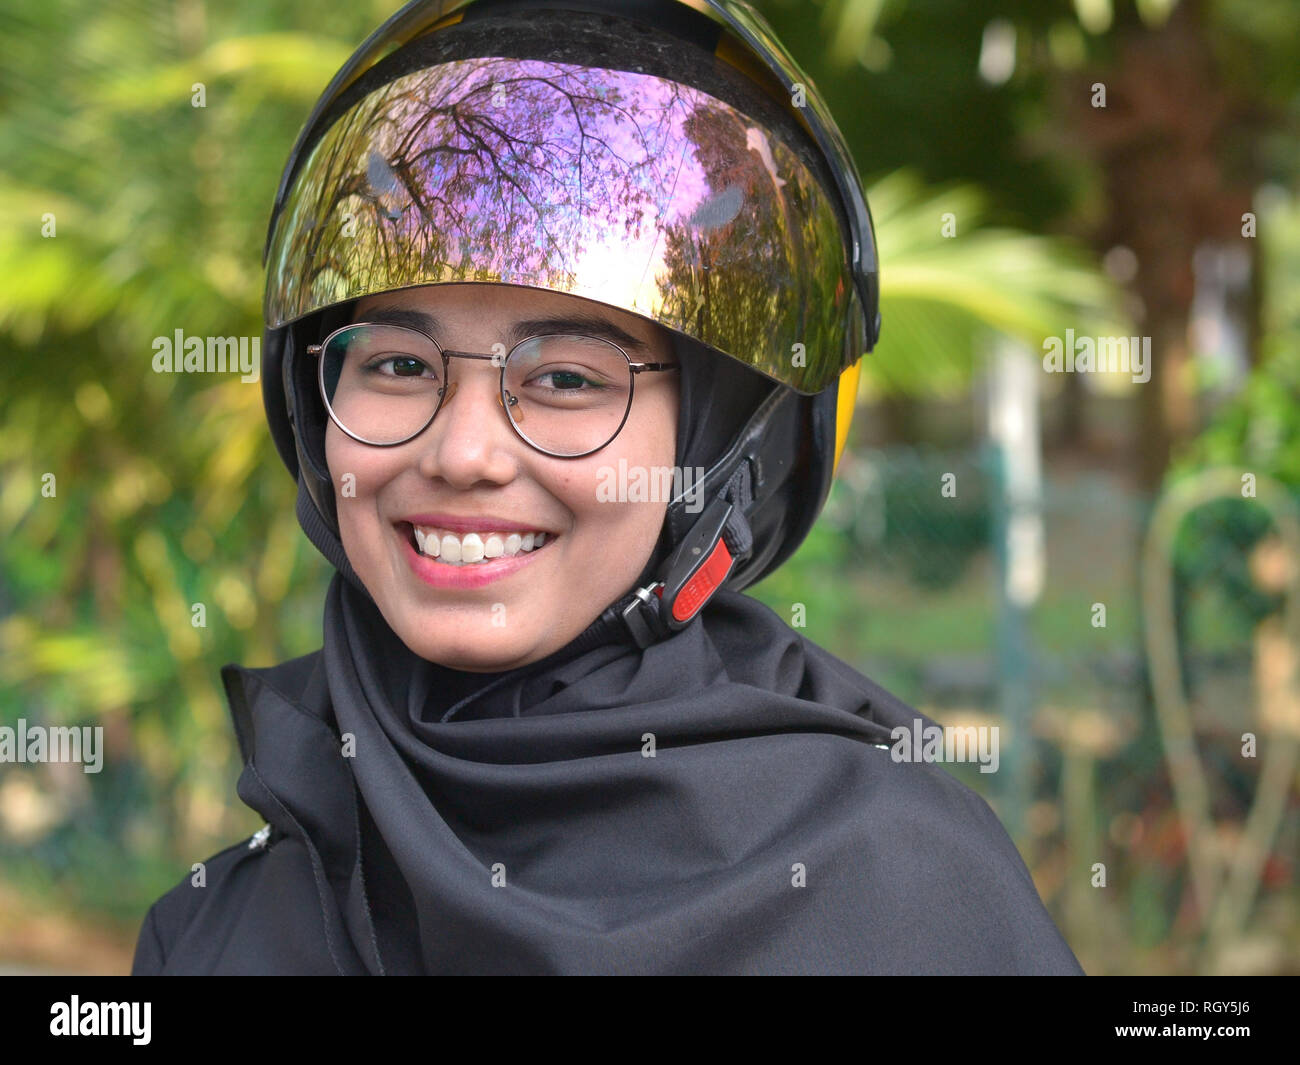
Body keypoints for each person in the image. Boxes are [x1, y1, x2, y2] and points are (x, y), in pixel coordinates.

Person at [131, 0, 1084, 975]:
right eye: (399, 366)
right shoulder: (217, 929)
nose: (463, 455)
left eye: (565, 380)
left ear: (724, 447)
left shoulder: (895, 899)